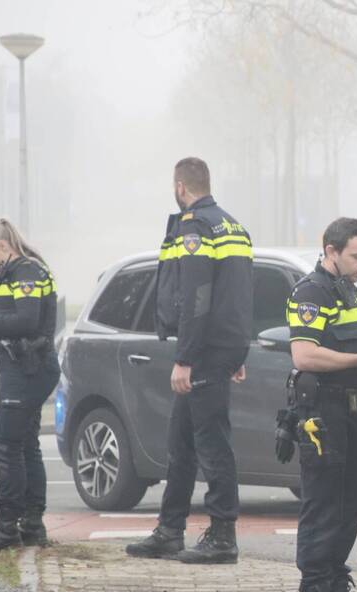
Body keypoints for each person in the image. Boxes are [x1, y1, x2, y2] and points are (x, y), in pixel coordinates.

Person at [126, 158, 253, 564]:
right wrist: (236, 349)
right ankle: (170, 530)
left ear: (180, 186)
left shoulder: (195, 227)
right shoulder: (233, 226)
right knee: (180, 442)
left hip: (204, 350)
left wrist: (185, 358)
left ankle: (222, 535)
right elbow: (239, 294)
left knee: (212, 443)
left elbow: (197, 297)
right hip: (221, 346)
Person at [285, 217, 357, 592]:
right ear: (331, 251)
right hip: (322, 414)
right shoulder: (312, 292)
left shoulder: (350, 290)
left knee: (349, 506)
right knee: (323, 506)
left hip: (351, 410)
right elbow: (304, 356)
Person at [0, 219, 60, 551]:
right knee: (24, 444)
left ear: (2, 246)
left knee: (6, 444)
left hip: (29, 368)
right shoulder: (9, 272)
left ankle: (7, 527)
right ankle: (32, 524)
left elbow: (26, 319)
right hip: (22, 367)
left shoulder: (26, 272)